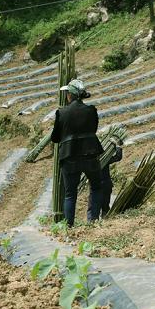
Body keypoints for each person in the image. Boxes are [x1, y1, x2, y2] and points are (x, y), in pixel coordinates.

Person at [51, 79, 103, 227]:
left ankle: (69, 226)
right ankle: (92, 220)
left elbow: (55, 138)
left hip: (69, 156)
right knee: (96, 186)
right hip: (90, 154)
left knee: (70, 194)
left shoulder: (61, 113)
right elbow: (93, 130)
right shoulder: (91, 110)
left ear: (70, 95)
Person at [87, 138, 123, 219]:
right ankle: (103, 220)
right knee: (105, 205)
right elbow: (118, 157)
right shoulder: (104, 157)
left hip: (96, 185)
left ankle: (91, 223)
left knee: (93, 206)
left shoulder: (89, 159)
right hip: (105, 184)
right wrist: (117, 146)